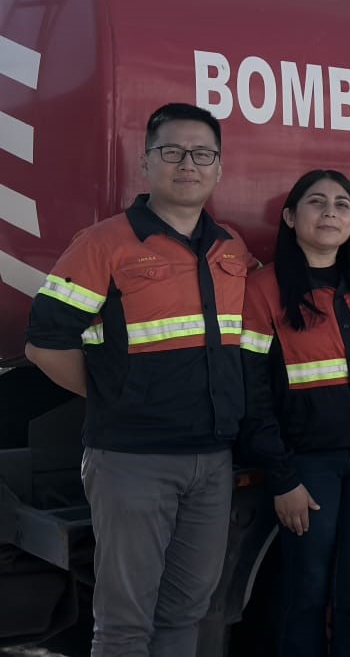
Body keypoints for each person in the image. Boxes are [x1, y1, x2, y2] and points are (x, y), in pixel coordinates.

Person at [24, 102, 254, 656]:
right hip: (132, 458)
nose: (187, 164)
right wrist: (117, 394)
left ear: (219, 168)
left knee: (186, 614)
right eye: (171, 151)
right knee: (126, 624)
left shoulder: (232, 247)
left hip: (211, 461)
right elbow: (44, 344)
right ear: (146, 162)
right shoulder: (104, 243)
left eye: (202, 154)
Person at [237, 169, 350, 657]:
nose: (330, 212)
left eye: (342, 204)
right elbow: (252, 392)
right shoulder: (263, 289)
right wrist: (282, 478)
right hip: (308, 465)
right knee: (306, 593)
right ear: (290, 217)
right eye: (316, 202)